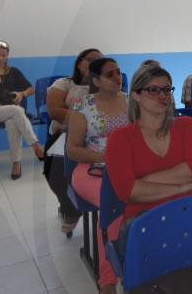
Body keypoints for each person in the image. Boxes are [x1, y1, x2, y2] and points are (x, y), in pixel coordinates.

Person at [106, 65, 192, 273]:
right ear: (136, 95)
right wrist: (178, 188)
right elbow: (128, 192)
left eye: (167, 90)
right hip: (143, 219)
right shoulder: (120, 139)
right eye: (153, 90)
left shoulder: (187, 125)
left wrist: (146, 181)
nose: (163, 96)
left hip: (188, 212)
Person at [66, 58, 128, 294]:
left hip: (125, 168)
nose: (117, 77)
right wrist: (104, 156)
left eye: (118, 72)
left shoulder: (132, 101)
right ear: (96, 80)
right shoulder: (84, 107)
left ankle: (137, 260)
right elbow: (72, 149)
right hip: (90, 169)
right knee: (112, 206)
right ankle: (108, 280)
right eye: (109, 74)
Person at [44, 48, 102, 234]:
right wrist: (87, 120)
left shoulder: (104, 86)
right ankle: (70, 208)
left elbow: (113, 112)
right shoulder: (64, 83)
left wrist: (82, 120)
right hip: (63, 135)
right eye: (90, 60)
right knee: (53, 172)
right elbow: (55, 111)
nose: (94, 64)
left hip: (96, 137)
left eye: (99, 61)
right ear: (79, 63)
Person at [0, 40, 44, 179]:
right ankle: (36, 146)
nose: (0, 58)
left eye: (3, 55)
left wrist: (22, 94)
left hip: (10, 109)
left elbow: (31, 88)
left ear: (7, 56)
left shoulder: (13, 71)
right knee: (17, 111)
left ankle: (16, 163)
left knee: (12, 123)